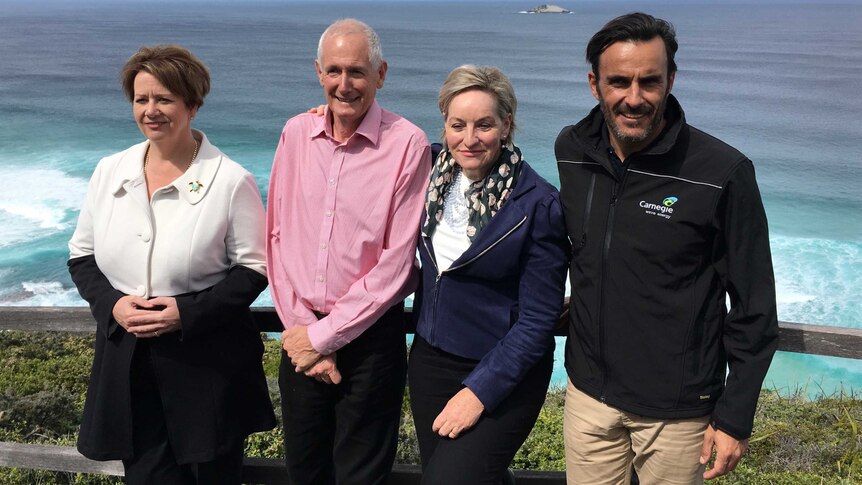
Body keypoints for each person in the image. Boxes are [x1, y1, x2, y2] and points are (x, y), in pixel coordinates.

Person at [555, 12, 779, 484]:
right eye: (619, 81)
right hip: (587, 399)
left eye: (649, 82)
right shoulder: (572, 150)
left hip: (678, 415)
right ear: (594, 84)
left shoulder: (721, 172)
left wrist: (734, 416)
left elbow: (754, 306)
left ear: (670, 80)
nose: (633, 98)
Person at [67, 44, 275, 485]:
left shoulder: (230, 180)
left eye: (164, 99)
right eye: (141, 99)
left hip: (207, 369)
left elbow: (253, 269)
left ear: (193, 105)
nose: (151, 110)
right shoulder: (110, 170)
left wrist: (187, 313)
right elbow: (82, 256)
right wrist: (113, 306)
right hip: (129, 364)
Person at [266, 19, 431, 485]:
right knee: (304, 472)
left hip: (370, 344)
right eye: (334, 71)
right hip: (300, 335)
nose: (344, 84)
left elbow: (397, 266)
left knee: (360, 477)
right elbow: (275, 238)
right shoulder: (295, 133)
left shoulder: (407, 144)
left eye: (357, 71)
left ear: (381, 74)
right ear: (318, 72)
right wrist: (304, 333)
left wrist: (324, 339)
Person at [410, 65, 570, 484]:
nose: (469, 138)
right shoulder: (427, 171)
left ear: (506, 125)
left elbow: (538, 320)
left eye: (484, 124)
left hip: (503, 372)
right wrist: (332, 115)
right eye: (457, 124)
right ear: (444, 124)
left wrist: (480, 391)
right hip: (429, 362)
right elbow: (370, 148)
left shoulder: (538, 204)